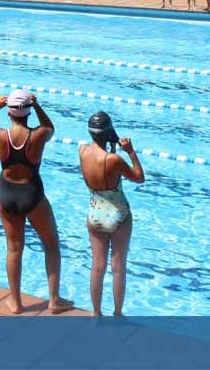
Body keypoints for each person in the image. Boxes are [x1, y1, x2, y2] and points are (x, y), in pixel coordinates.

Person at [0, 90, 73, 314]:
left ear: (9, 112)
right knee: (51, 245)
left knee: (14, 249)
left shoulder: (0, 136)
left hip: (7, 193)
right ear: (28, 112)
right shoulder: (38, 135)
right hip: (32, 193)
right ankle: (54, 299)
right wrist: (38, 106)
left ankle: (16, 302)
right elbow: (50, 127)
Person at [79, 111, 145, 317]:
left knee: (97, 266)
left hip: (95, 214)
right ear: (109, 132)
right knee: (118, 267)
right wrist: (131, 152)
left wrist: (113, 147)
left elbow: (103, 165)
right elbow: (139, 177)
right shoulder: (114, 159)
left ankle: (96, 313)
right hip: (119, 215)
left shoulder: (82, 151)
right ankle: (117, 313)